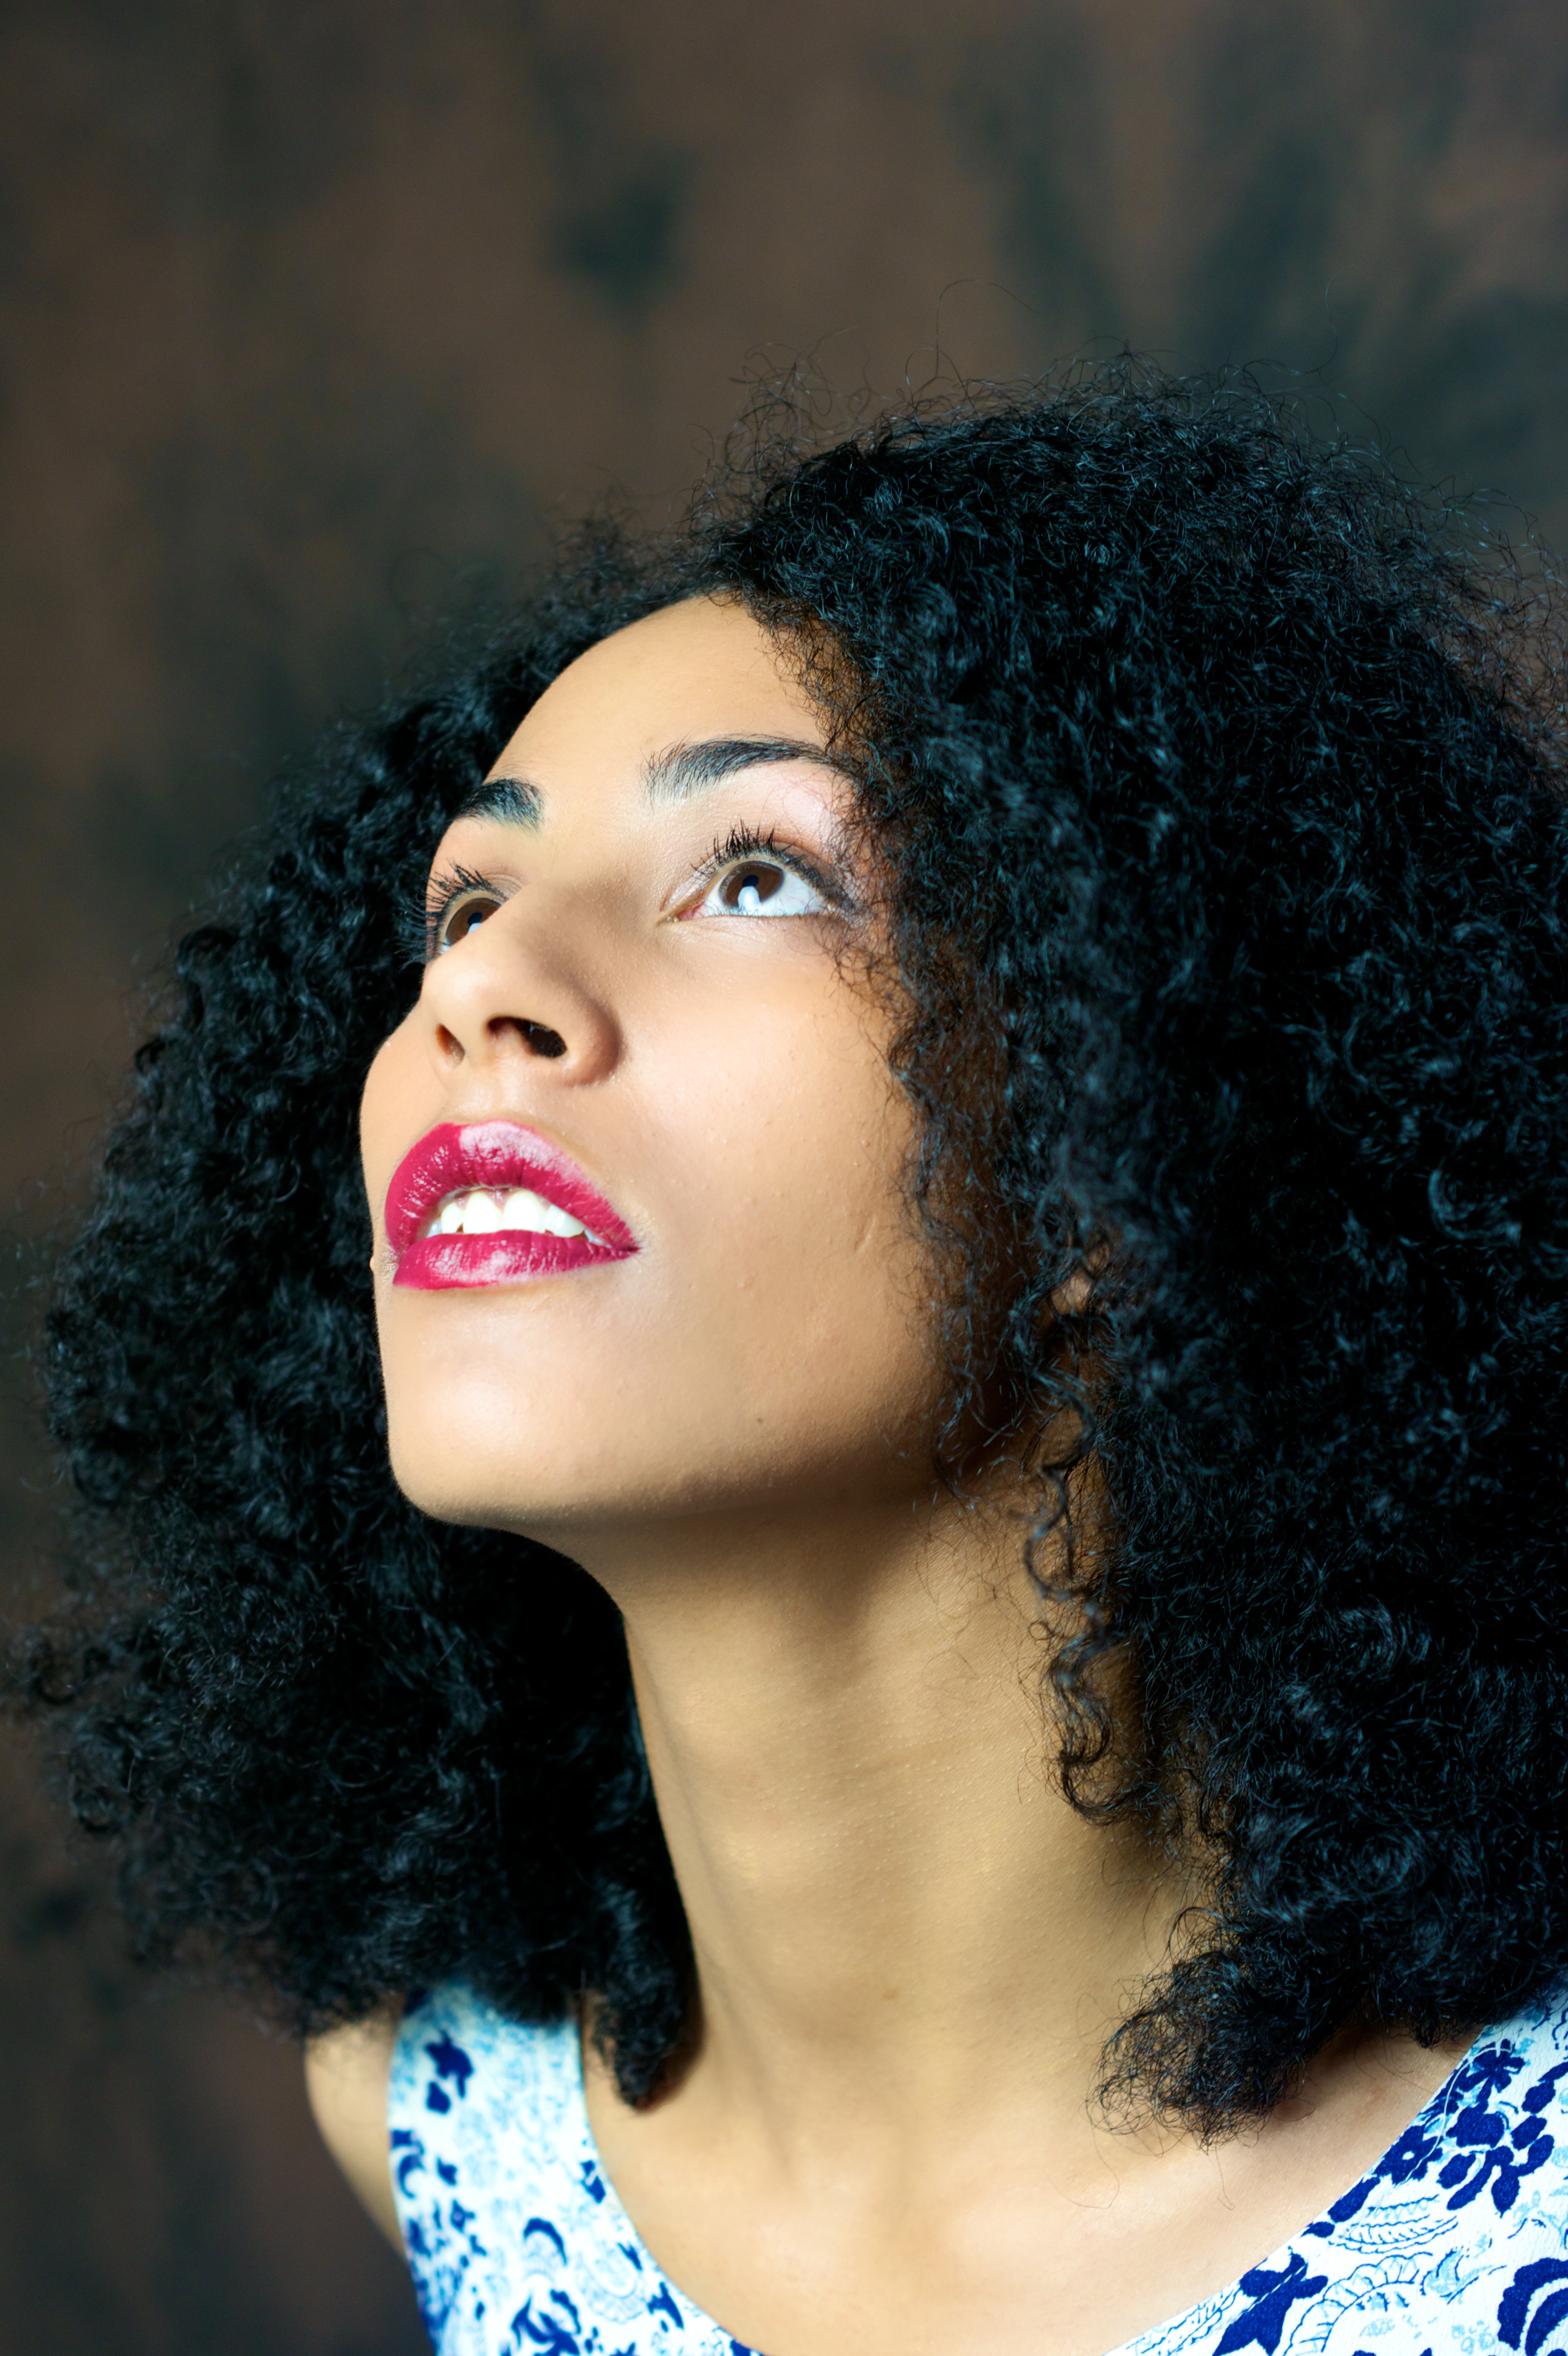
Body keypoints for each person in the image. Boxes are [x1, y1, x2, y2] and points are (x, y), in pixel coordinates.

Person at [27, 367, 1568, 2356]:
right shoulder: (435, 2124)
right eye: (466, 901)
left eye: (754, 875)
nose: (481, 984)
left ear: (1121, 1137)